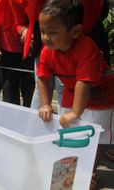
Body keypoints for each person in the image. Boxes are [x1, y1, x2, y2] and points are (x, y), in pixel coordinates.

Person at [37, 0, 114, 144]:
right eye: (42, 31)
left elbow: (83, 82)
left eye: (52, 33)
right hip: (72, 90)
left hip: (100, 93)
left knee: (95, 135)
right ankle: (74, 162)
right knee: (68, 129)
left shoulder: (87, 48)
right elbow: (42, 77)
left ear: (75, 32)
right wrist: (46, 104)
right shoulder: (47, 51)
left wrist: (76, 112)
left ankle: (93, 163)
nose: (45, 38)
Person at [0, 0, 34, 105]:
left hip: (30, 42)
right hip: (7, 46)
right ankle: (11, 119)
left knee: (29, 89)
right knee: (9, 89)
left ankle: (30, 119)